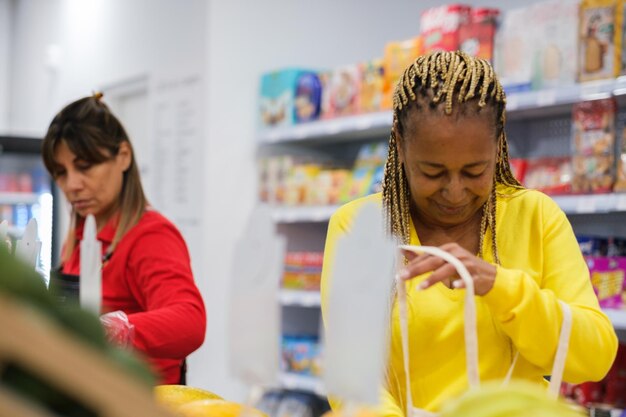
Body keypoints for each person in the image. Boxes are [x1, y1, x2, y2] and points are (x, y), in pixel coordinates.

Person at [320, 51, 618, 414]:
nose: (455, 191)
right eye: (433, 172)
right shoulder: (359, 227)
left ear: (497, 146)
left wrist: (501, 287)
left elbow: (592, 358)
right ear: (400, 143)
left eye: (475, 171)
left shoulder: (536, 217)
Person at [42, 93, 206, 385]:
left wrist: (120, 329)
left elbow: (190, 321)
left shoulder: (150, 236)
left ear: (123, 157)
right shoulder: (78, 238)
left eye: (84, 166)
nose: (72, 185)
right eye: (61, 173)